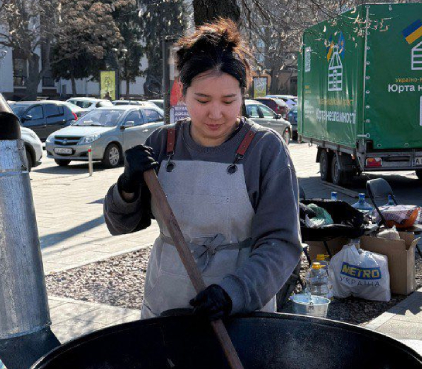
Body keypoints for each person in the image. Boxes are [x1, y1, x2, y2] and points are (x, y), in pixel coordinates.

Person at [102, 19, 301, 319]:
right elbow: (120, 226)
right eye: (203, 100)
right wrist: (126, 187)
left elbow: (281, 244)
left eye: (229, 100)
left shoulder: (265, 150)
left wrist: (233, 293)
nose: (216, 113)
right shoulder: (163, 143)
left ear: (243, 96)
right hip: (165, 301)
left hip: (239, 310)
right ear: (183, 92)